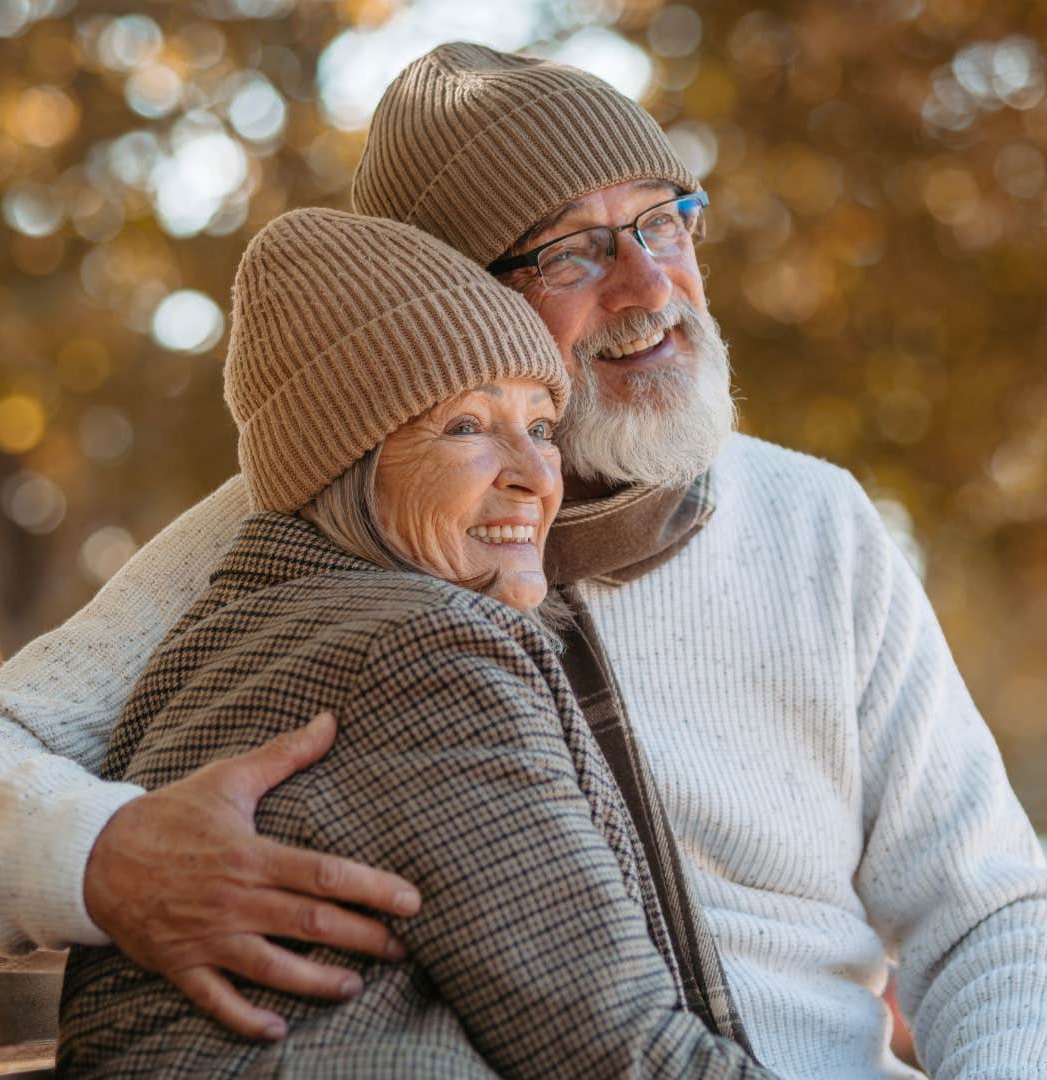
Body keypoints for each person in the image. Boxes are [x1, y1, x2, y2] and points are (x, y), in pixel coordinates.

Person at [0, 43, 1047, 1078]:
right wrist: (109, 858)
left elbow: (993, 908)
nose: (646, 285)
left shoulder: (815, 527)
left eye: (663, 222)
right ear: (461, 311)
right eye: (568, 250)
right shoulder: (299, 533)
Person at [57, 206, 767, 1077]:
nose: (535, 473)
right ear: (347, 460)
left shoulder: (238, 628)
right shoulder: (422, 651)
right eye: (466, 427)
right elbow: (626, 1057)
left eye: (542, 426)